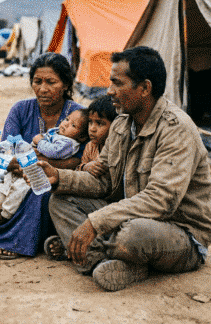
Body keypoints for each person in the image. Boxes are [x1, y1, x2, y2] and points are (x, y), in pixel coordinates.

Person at [44, 46, 211, 291]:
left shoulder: (177, 129)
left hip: (178, 232)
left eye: (117, 83)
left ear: (145, 88)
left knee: (133, 234)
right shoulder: (122, 124)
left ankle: (103, 252)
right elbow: (103, 182)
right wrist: (59, 177)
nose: (109, 91)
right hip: (129, 216)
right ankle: (105, 263)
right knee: (60, 200)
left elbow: (161, 201)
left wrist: (95, 223)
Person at [0, 52, 84, 260]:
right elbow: (6, 152)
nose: (42, 89)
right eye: (37, 81)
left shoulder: (79, 116)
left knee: (40, 192)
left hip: (54, 180)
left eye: (51, 82)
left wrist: (41, 164)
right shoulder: (21, 110)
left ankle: (17, 241)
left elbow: (81, 159)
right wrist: (23, 164)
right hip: (15, 174)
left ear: (65, 84)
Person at [0, 110, 88, 229]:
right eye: (67, 119)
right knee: (8, 177)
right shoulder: (58, 133)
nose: (66, 124)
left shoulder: (69, 143)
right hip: (27, 163)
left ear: (81, 137)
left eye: (73, 125)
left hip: (39, 172)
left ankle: (4, 215)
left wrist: (39, 141)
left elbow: (53, 152)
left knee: (20, 187)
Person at [45, 95, 117, 259]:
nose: (92, 128)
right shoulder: (91, 146)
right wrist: (85, 167)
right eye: (91, 122)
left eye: (100, 124)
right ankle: (77, 247)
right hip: (96, 200)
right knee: (58, 200)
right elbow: (80, 169)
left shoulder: (116, 147)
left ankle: (88, 253)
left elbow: (107, 184)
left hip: (112, 205)